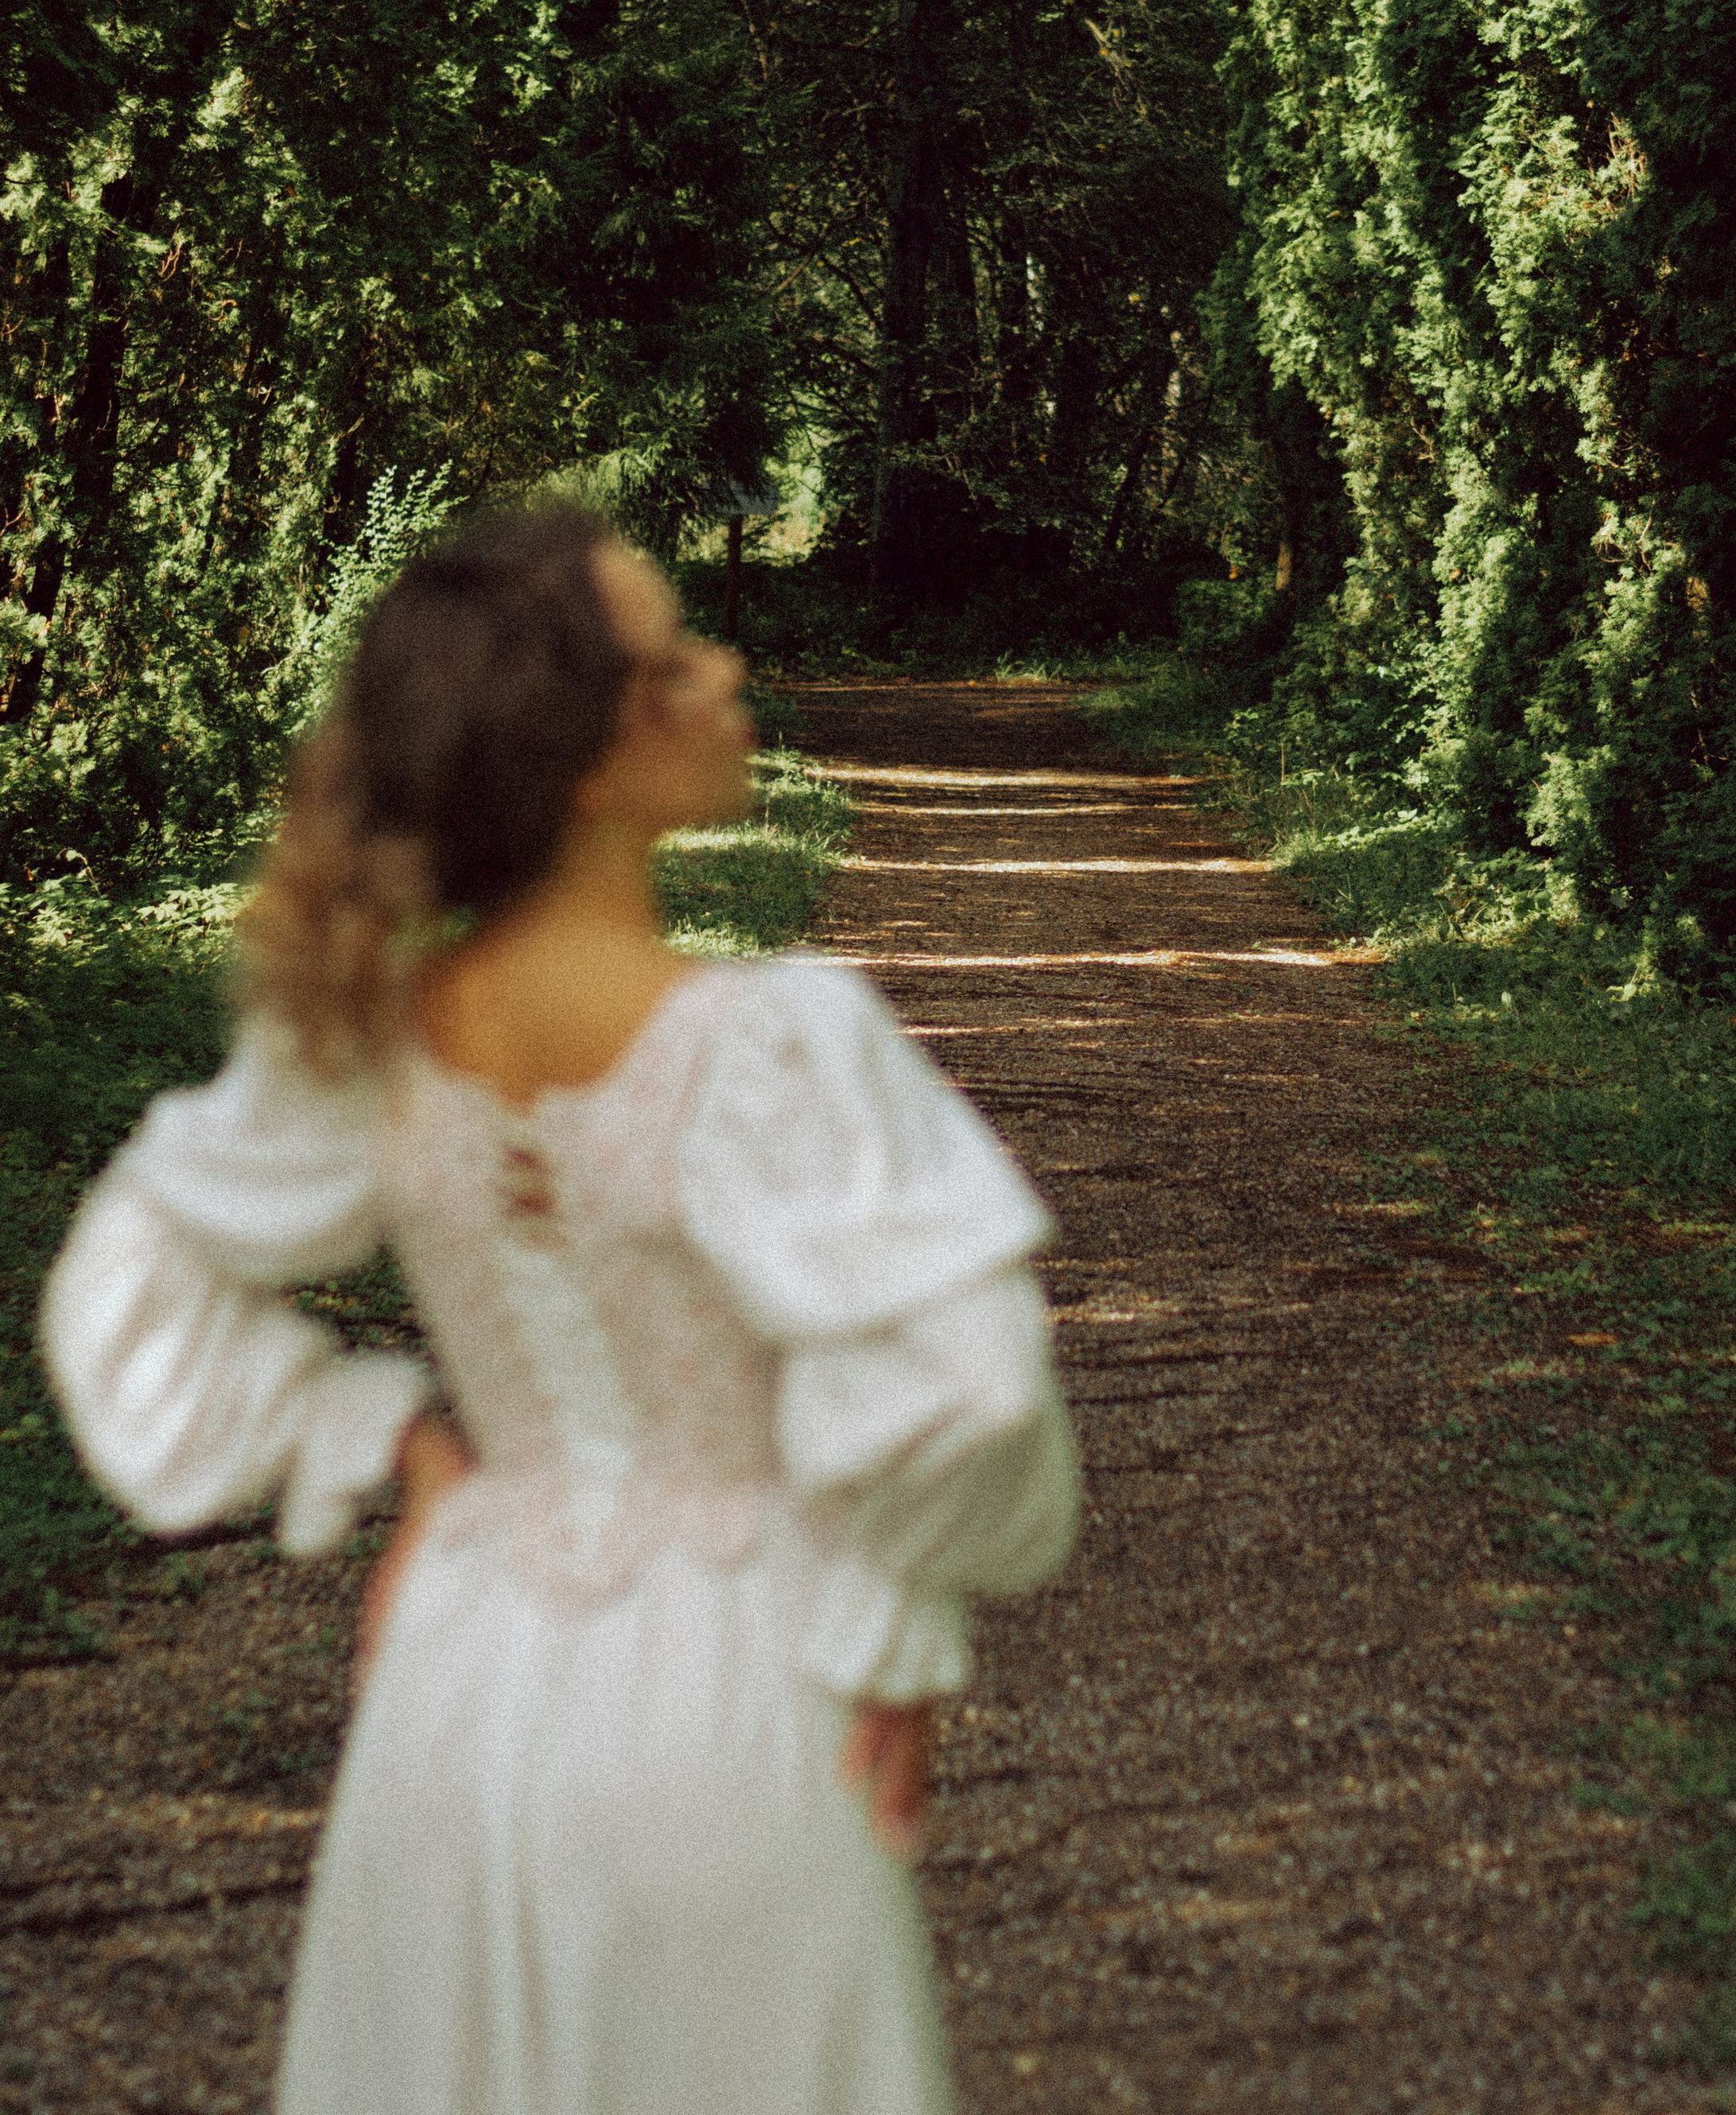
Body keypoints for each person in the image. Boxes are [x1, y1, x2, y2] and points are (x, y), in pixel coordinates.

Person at [40, 504, 1078, 2115]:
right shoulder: (770, 1044)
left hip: (464, 1687)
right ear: (589, 756)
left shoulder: (377, 1039)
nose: (730, 670)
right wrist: (891, 1616)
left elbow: (129, 1283)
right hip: (735, 1685)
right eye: (677, 659)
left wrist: (384, 1436)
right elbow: (972, 1383)